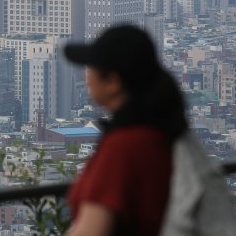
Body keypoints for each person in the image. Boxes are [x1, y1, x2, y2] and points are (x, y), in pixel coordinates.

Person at [63, 25, 188, 236]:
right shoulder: (161, 131)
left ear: (112, 82)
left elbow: (92, 230)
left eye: (91, 68)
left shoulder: (124, 146)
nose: (87, 76)